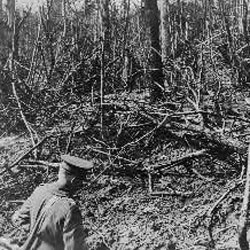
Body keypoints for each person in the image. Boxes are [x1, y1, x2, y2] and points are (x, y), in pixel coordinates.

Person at [11, 154, 93, 250]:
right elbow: (74, 247)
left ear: (59, 172)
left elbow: (17, 219)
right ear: (75, 181)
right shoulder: (70, 208)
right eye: (81, 182)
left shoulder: (40, 191)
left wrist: (34, 234)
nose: (81, 186)